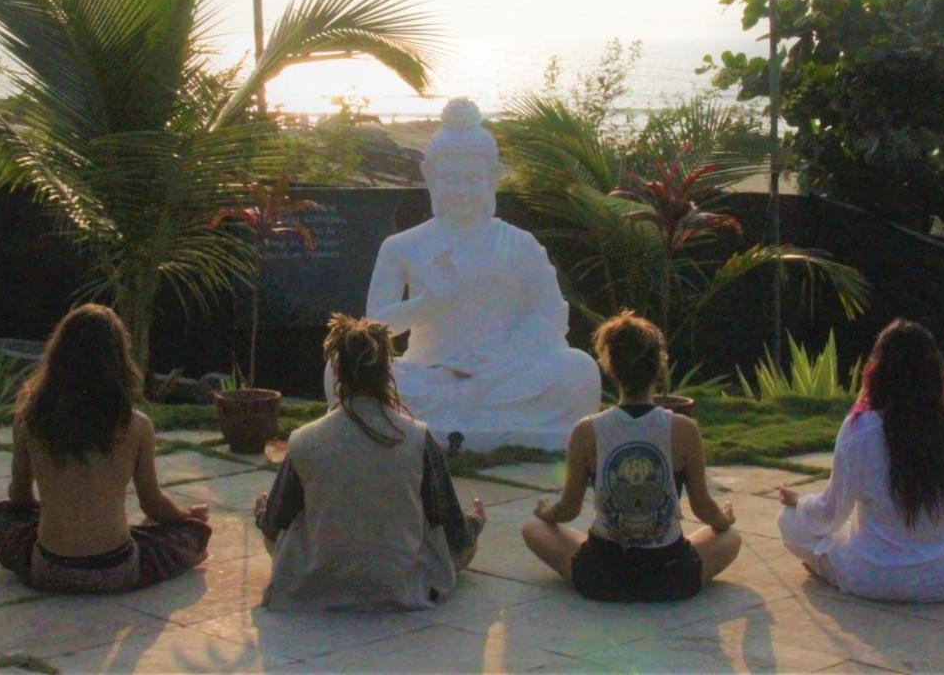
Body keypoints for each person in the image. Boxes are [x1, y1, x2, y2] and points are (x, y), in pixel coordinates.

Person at [332, 97, 601, 452]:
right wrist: (430, 302)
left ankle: (426, 418)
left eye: (473, 179)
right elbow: (374, 327)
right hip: (428, 375)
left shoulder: (518, 244)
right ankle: (467, 412)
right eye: (451, 179)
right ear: (430, 176)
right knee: (337, 368)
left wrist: (500, 359)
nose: (461, 190)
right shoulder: (402, 246)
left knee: (579, 370)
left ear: (492, 176)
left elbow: (550, 315)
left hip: (502, 374)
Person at [256, 313, 486, 611]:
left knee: (280, 537)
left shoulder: (304, 439)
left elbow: (275, 525)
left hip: (321, 580)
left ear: (338, 370)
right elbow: (452, 526)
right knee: (463, 547)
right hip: (399, 582)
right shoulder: (417, 437)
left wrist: (261, 513)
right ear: (388, 371)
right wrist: (476, 520)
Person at [0, 304, 211, 593]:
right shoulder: (137, 425)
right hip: (116, 568)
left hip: (48, 569)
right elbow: (152, 503)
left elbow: (18, 497)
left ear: (58, 357)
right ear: (118, 360)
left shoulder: (29, 420)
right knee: (193, 533)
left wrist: (57, 511)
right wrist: (186, 518)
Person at [521, 311, 741, 602]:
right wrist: (723, 519)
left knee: (533, 528)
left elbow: (568, 510)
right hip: (672, 576)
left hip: (600, 576)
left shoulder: (587, 430)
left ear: (610, 366)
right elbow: (703, 509)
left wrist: (545, 513)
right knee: (730, 538)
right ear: (659, 365)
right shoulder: (683, 429)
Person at [777, 318, 944, 602]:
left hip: (876, 577)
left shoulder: (858, 429)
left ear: (877, 371)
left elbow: (830, 514)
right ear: (934, 374)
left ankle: (825, 567)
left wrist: (800, 503)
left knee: (789, 521)